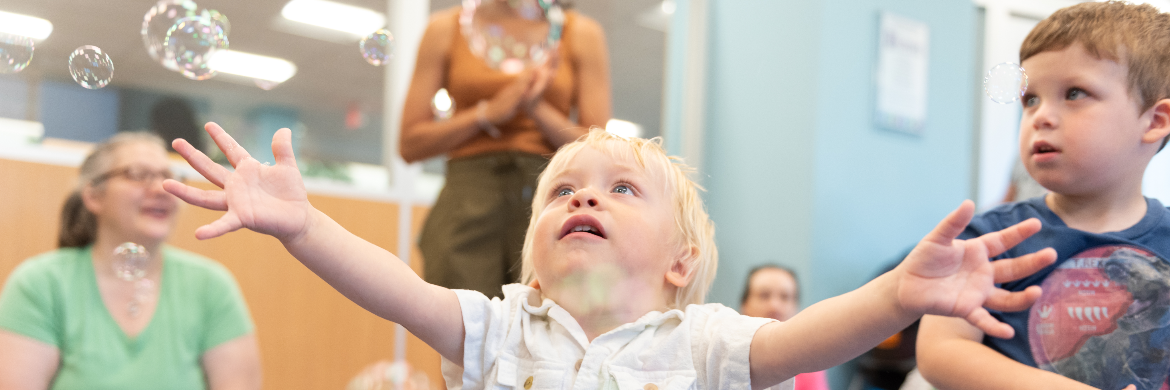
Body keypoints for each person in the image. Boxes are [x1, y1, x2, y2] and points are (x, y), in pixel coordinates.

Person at [163, 122, 1053, 389]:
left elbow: (807, 339)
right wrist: (303, 226)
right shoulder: (502, 327)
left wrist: (899, 293)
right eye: (563, 190)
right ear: (534, 260)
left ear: (679, 261)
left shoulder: (701, 342)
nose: (584, 195)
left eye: (623, 189)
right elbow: (397, 290)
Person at [917, 3, 1170, 390]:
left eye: (1074, 93)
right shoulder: (988, 237)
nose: (1041, 116)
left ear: (1154, 122)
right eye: (1030, 99)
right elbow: (941, 350)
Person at [0, 132, 261, 390]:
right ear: (93, 196)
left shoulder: (211, 286)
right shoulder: (40, 283)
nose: (161, 188)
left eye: (168, 176)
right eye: (137, 175)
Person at [399, 0, 612, 298]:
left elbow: (598, 150)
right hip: (465, 205)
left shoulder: (581, 33)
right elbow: (409, 144)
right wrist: (487, 113)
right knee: (463, 333)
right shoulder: (445, 29)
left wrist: (534, 108)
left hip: (552, 200)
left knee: (550, 333)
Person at [739, 265, 829, 390]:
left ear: (796, 307)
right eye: (764, 295)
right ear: (744, 304)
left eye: (785, 297)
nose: (774, 306)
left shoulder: (810, 360)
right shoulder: (724, 351)